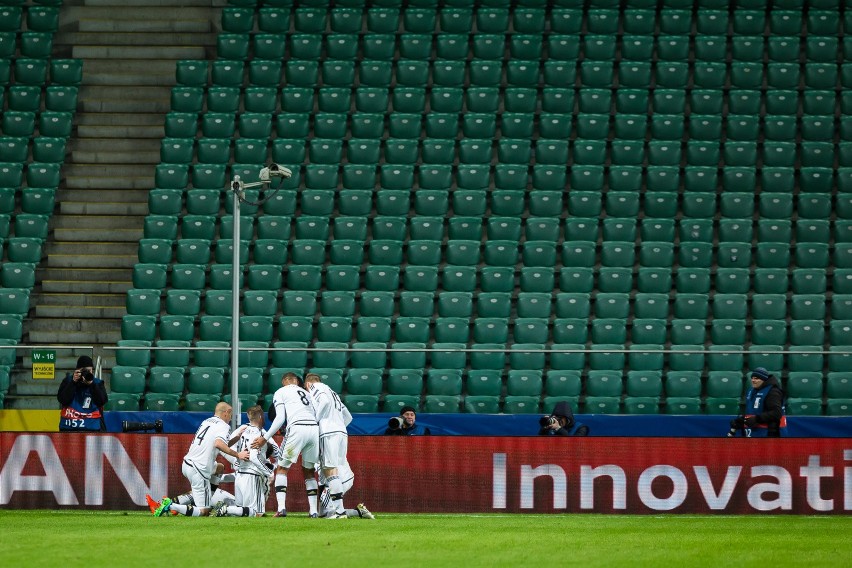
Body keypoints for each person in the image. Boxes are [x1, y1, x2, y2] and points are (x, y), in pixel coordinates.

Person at [153, 402, 249, 517]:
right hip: (199, 469)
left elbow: (219, 443)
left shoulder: (207, 421)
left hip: (187, 464)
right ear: (226, 413)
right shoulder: (223, 426)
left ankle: (207, 497)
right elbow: (219, 444)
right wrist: (238, 454)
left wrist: (236, 438)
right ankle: (170, 505)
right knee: (204, 512)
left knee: (219, 467)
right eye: (231, 415)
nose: (230, 418)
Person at [251, 372, 320, 518]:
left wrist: (265, 437)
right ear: (296, 381)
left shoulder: (281, 392)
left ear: (284, 382)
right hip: (314, 429)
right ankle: (313, 511)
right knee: (309, 471)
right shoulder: (307, 393)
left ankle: (281, 508)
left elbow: (280, 418)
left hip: (297, 428)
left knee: (282, 468)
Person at [215, 405, 278, 517]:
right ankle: (227, 509)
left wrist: (237, 458)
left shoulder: (243, 429)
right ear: (260, 417)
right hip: (253, 475)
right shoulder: (260, 434)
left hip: (240, 474)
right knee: (258, 512)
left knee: (242, 510)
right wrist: (269, 473)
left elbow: (226, 445)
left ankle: (228, 509)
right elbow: (254, 457)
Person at [305, 372, 352, 519]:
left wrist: (316, 421)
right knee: (335, 469)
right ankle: (335, 510)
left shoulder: (316, 387)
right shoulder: (334, 393)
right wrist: (338, 426)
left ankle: (339, 512)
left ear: (308, 384)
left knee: (330, 471)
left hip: (328, 432)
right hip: (342, 433)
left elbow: (323, 402)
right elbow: (348, 417)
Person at [146, 462, 236, 516]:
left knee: (199, 494)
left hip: (231, 504)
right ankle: (171, 507)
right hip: (231, 502)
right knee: (201, 492)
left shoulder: (247, 476)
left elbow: (235, 477)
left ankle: (167, 506)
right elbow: (234, 477)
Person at [729, 367, 787, 438]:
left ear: (763, 379)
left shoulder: (773, 392)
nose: (753, 380)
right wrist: (742, 420)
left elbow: (777, 413)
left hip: (769, 433)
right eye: (752, 378)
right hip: (754, 433)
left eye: (756, 378)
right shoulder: (751, 391)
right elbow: (754, 411)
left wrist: (757, 419)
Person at [57, 355, 108, 432]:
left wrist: (92, 385)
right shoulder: (68, 381)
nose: (87, 373)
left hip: (91, 429)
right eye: (84, 371)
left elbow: (102, 401)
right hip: (68, 429)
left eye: (89, 371)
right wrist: (73, 382)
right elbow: (63, 400)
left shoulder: (97, 383)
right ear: (77, 370)